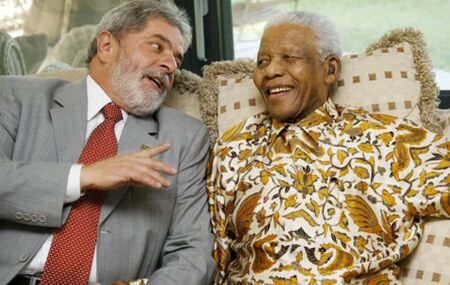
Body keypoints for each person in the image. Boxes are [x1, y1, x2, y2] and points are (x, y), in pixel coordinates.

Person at [207, 10, 449, 285]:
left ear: (330, 69)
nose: (271, 71)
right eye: (263, 61)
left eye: (289, 58)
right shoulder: (234, 145)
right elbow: (217, 255)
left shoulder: (387, 139)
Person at [0, 1, 215, 284]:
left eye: (177, 58)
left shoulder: (185, 137)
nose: (171, 65)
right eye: (157, 46)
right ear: (106, 45)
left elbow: (194, 252)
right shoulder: (18, 96)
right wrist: (84, 175)